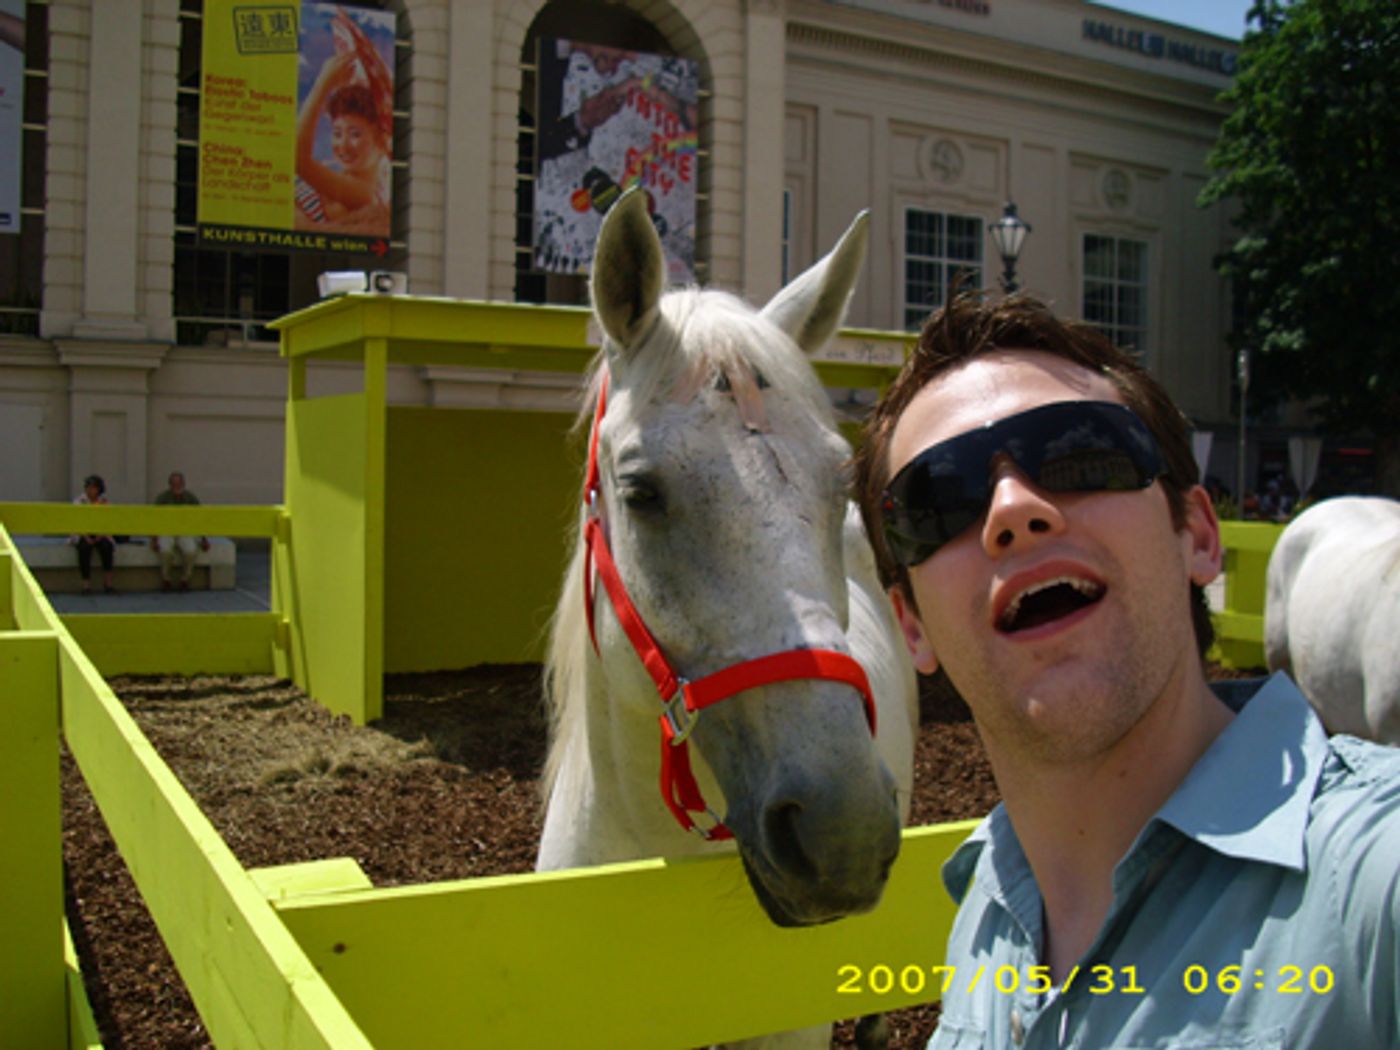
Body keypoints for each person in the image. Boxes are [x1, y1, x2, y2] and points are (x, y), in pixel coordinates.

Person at [853, 294, 1399, 1048]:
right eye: (937, 498)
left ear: (1197, 536)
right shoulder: (987, 903)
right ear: (910, 624)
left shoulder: (1373, 881)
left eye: (1079, 452)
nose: (1012, 507)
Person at [294, 7, 393, 234]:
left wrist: (323, 83)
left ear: (380, 136)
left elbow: (296, 159)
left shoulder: (365, 192)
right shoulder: (333, 174)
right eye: (337, 133)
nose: (343, 144)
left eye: (355, 134)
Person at [150, 471, 209, 592]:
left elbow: (200, 519)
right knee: (165, 551)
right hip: (166, 531)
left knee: (191, 551)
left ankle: (185, 579)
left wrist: (204, 539)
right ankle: (166, 579)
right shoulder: (162, 499)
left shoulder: (191, 498)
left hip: (185, 531)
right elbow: (153, 519)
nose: (177, 486)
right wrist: (154, 539)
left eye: (179, 483)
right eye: (174, 484)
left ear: (184, 484)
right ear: (170, 485)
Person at [70, 474, 115, 594]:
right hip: (83, 533)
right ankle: (86, 585)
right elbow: (76, 522)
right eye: (88, 487)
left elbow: (107, 521)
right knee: (84, 548)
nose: (91, 490)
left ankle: (108, 582)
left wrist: (100, 536)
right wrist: (86, 537)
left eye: (94, 488)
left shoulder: (103, 502)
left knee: (107, 547)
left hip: (100, 533)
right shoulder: (79, 501)